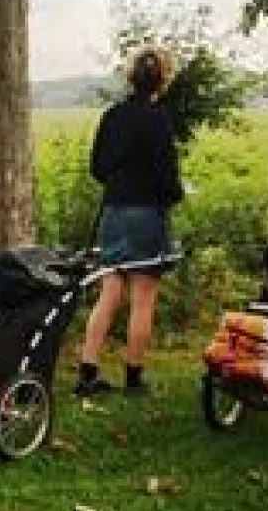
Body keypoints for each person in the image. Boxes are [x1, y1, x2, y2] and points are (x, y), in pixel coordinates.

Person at [75, 47, 183, 398]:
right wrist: (173, 195)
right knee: (143, 298)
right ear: (162, 80)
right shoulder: (158, 120)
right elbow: (167, 178)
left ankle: (87, 372)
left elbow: (97, 168)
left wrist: (119, 180)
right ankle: (134, 378)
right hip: (145, 214)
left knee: (109, 293)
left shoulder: (112, 116)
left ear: (130, 76)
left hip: (114, 211)